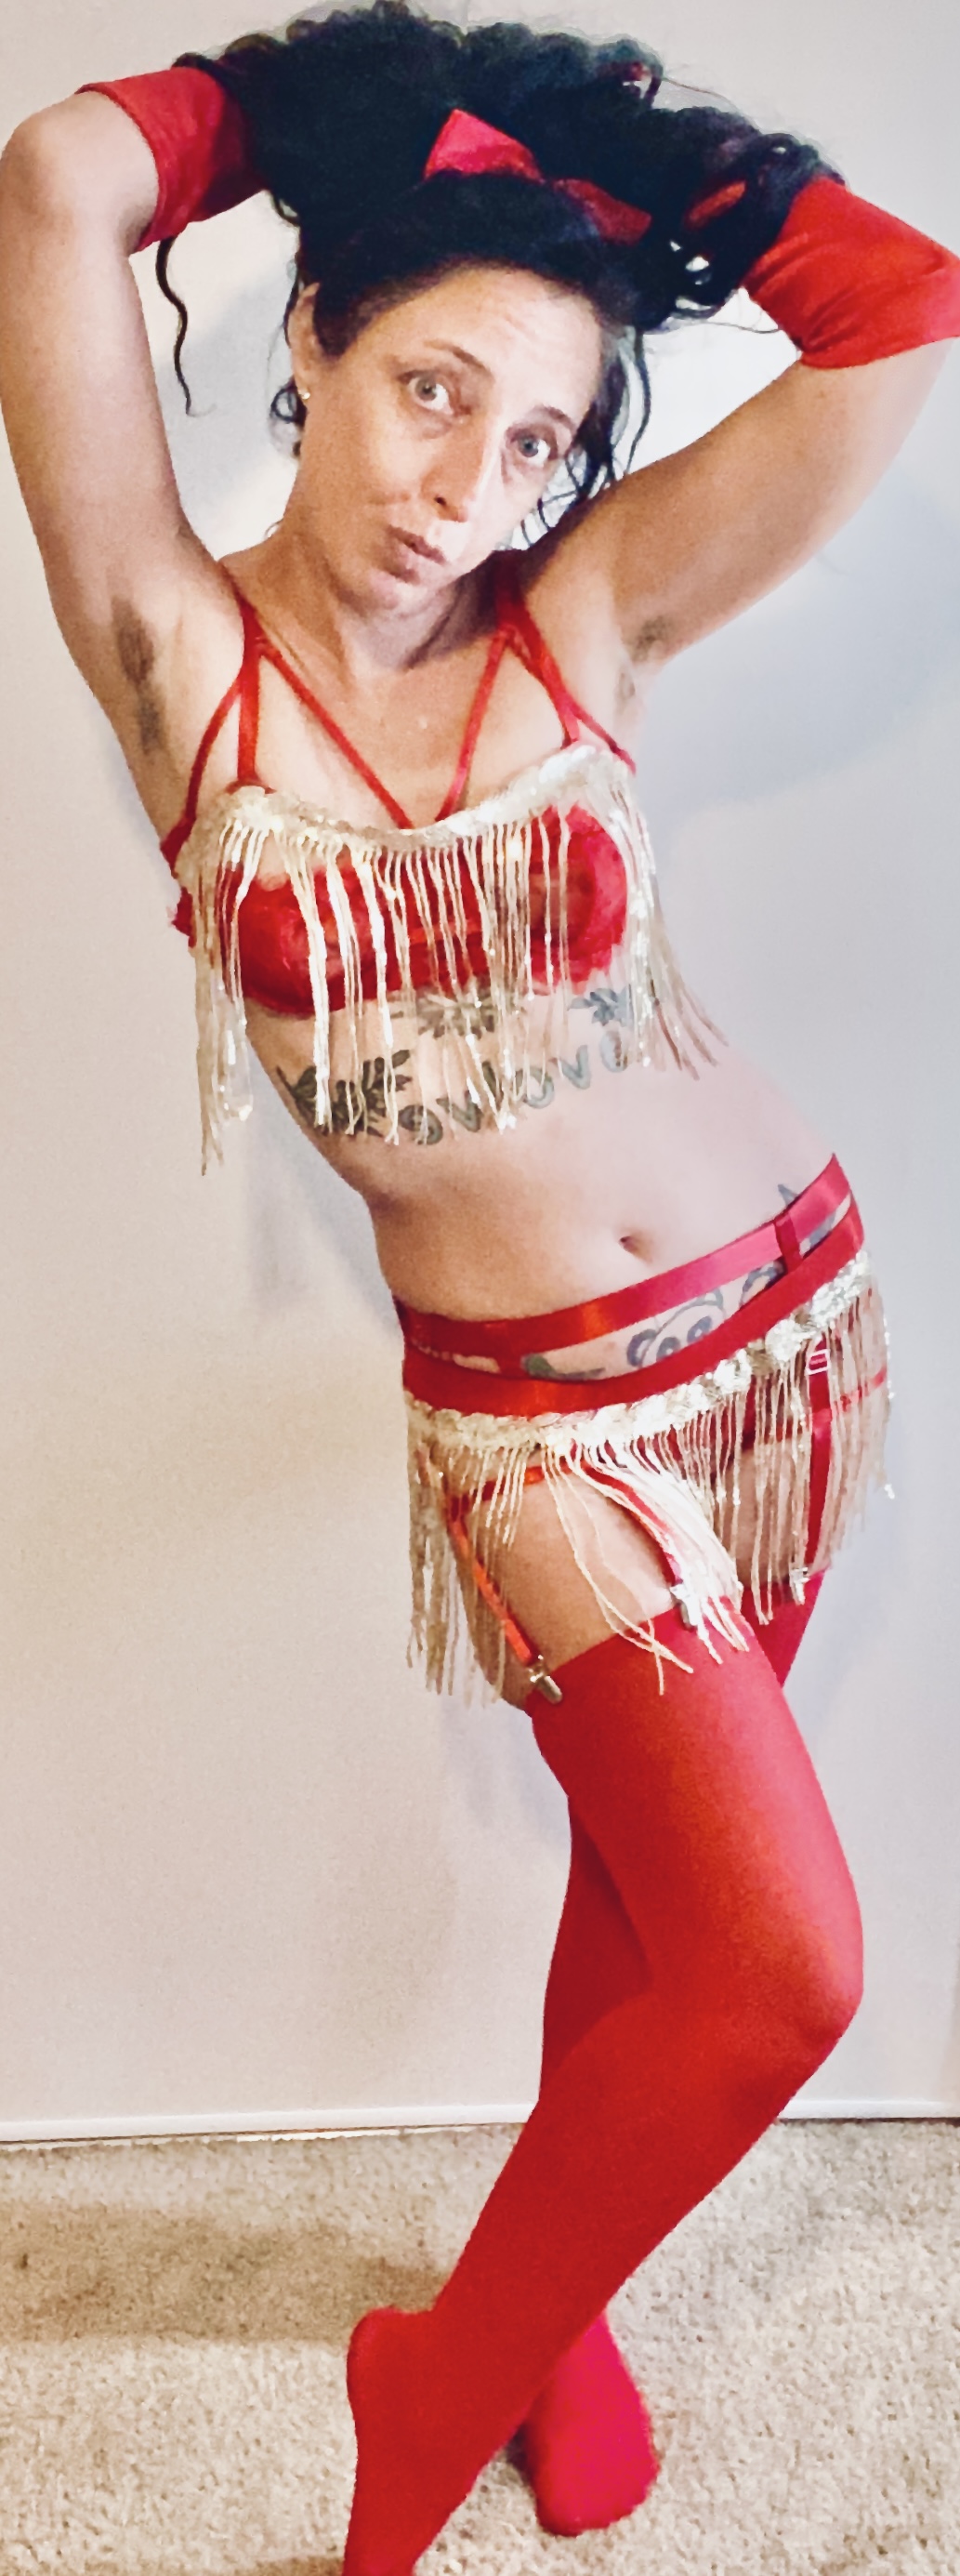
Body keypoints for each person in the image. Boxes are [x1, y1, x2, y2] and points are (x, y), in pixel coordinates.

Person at [1, 4, 957, 2565]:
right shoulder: (174, 656)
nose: (471, 484)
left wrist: (614, 146)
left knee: (657, 1918)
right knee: (779, 1974)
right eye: (430, 392)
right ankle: (431, 2387)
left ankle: (547, 2326)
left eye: (537, 437)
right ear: (310, 339)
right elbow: (59, 177)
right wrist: (371, 86)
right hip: (546, 1424)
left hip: (785, 1334)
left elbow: (901, 306)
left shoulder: (589, 610)